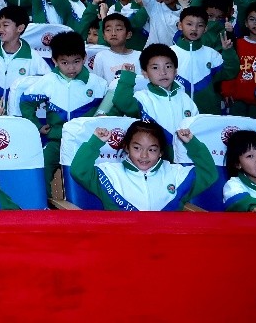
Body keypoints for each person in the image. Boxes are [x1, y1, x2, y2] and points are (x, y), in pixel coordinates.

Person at [21, 32, 110, 180]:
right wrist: (37, 125)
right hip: (56, 140)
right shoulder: (47, 81)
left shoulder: (98, 84)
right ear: (54, 61)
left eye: (76, 61)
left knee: (91, 174)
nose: (71, 68)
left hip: (86, 141)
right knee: (41, 169)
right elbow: (26, 102)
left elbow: (108, 111)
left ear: (84, 58)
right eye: (64, 63)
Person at [72, 121, 216, 211]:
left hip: (165, 240)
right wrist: (95, 143)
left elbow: (209, 174)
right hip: (122, 240)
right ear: (127, 147)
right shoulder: (110, 173)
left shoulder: (175, 173)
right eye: (137, 148)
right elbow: (79, 171)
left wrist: (193, 144)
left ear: (161, 152)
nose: (144, 155)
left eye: (152, 150)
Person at [104, 44, 201, 140]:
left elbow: (196, 130)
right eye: (155, 68)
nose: (163, 72)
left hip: (182, 149)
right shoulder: (142, 99)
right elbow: (121, 102)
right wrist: (127, 76)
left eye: (168, 66)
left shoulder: (186, 99)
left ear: (175, 71)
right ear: (145, 73)